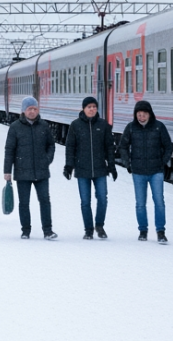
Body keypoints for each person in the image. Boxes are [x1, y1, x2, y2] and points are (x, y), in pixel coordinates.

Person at [63, 96, 118, 240]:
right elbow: (70, 147)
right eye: (89, 107)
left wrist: (112, 166)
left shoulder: (103, 125)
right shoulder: (75, 125)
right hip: (82, 169)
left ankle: (99, 225)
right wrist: (69, 166)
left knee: (102, 198)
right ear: (83, 109)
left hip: (100, 169)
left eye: (94, 107)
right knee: (85, 201)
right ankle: (88, 229)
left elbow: (109, 147)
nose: (92, 109)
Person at [119, 100, 173, 244]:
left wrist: (163, 162)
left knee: (159, 202)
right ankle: (143, 230)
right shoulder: (131, 128)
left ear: (150, 114)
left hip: (156, 171)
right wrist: (127, 163)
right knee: (140, 203)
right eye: (139, 115)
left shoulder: (159, 127)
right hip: (138, 172)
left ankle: (160, 232)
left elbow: (168, 146)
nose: (141, 117)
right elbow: (122, 146)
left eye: (143, 115)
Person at [4, 96, 57, 240]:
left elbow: (51, 145)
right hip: (22, 171)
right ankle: (25, 230)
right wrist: (7, 171)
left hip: (41, 171)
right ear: (23, 111)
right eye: (29, 109)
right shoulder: (15, 127)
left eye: (35, 109)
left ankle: (48, 230)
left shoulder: (44, 126)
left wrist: (47, 159)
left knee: (45, 200)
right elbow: (9, 150)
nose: (32, 112)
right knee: (24, 203)